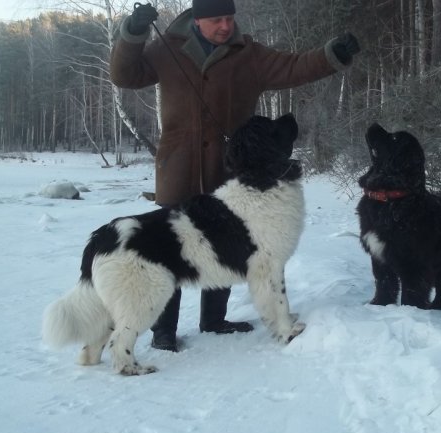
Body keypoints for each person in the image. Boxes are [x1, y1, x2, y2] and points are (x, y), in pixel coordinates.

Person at [110, 0, 360, 352]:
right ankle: (163, 331)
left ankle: (214, 320)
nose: (226, 26)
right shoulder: (167, 48)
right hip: (177, 166)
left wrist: (331, 55)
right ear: (197, 20)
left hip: (229, 169)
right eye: (216, 20)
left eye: (229, 18)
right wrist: (133, 32)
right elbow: (125, 75)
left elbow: (294, 67)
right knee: (168, 249)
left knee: (224, 243)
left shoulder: (249, 54)